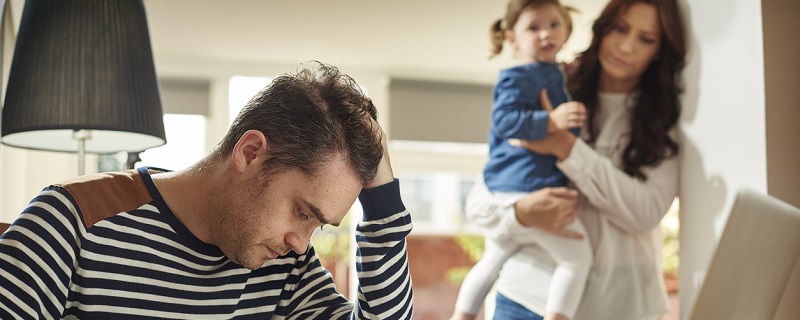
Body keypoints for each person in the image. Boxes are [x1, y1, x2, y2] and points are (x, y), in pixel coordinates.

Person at [0, 62, 414, 319]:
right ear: (250, 153)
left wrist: (382, 208)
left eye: (318, 225)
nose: (302, 245)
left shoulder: (285, 270)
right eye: (303, 212)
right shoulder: (72, 220)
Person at [466, 0, 687, 318]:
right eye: (620, 29)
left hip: (620, 305)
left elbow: (645, 212)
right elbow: (482, 201)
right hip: (526, 297)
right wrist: (521, 213)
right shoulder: (551, 87)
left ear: (659, 51)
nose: (626, 46)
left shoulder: (661, 120)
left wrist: (567, 148)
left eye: (646, 38)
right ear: (603, 29)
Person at [450, 1, 590, 320]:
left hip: (514, 186)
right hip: (524, 184)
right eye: (533, 27)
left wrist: (566, 124)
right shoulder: (518, 75)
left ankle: (462, 315)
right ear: (512, 37)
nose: (546, 34)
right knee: (577, 259)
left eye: (554, 24)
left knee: (493, 258)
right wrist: (552, 121)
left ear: (567, 30)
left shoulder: (552, 73)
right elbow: (504, 121)